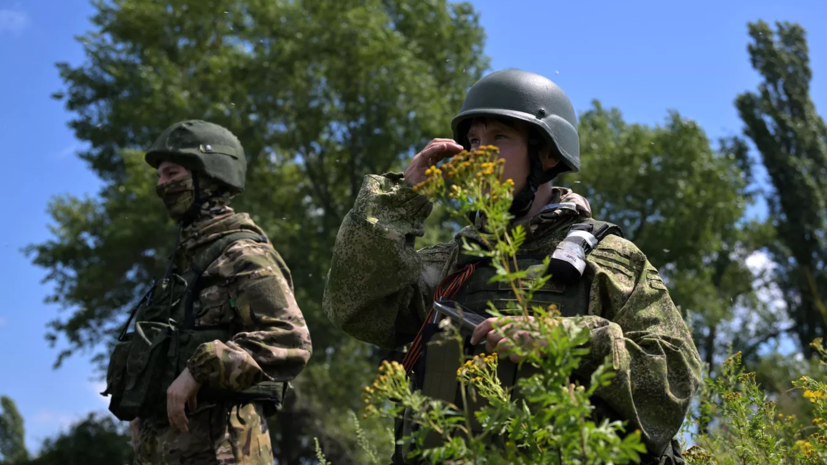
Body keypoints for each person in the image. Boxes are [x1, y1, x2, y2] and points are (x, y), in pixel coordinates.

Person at [323, 70, 701, 464]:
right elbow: (355, 308)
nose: (479, 154)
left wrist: (562, 340)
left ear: (547, 154)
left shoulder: (608, 260)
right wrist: (399, 199)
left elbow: (673, 381)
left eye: (500, 138)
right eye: (473, 141)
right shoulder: (452, 263)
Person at [101, 120, 312, 465]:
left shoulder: (243, 254)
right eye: (159, 176)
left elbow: (290, 339)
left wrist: (198, 371)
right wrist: (143, 406)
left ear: (210, 174)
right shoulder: (184, 263)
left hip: (223, 450)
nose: (161, 185)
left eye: (171, 173)